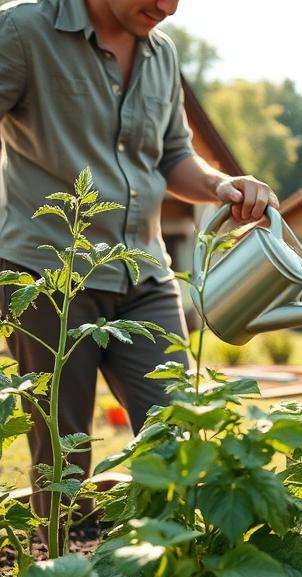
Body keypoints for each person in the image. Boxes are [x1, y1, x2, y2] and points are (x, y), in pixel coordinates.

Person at [0, 0, 279, 519]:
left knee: (177, 434)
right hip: (49, 278)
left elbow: (174, 157)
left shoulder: (162, 55)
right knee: (62, 454)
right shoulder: (24, 32)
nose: (167, 7)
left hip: (145, 274)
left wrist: (222, 185)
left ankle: (171, 575)